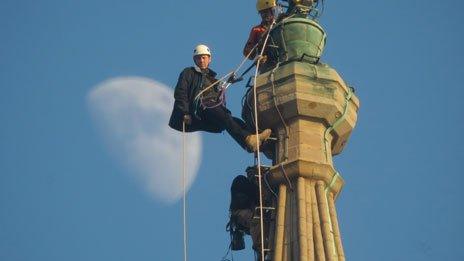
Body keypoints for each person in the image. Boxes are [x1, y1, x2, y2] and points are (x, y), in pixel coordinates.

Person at [168, 44, 271, 152]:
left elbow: (219, 93)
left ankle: (252, 142)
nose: (201, 60)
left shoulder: (213, 80)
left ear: (209, 59)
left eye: (204, 57)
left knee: (233, 121)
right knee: (226, 118)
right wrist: (184, 112)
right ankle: (249, 139)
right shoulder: (189, 72)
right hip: (201, 106)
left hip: (210, 109)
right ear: (195, 60)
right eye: (198, 58)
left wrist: (256, 63)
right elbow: (181, 92)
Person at [243, 0, 277, 72]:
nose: (264, 15)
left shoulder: (281, 23)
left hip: (282, 58)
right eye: (262, 13)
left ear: (272, 11)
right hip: (266, 64)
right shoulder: (257, 29)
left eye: (266, 12)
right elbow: (248, 52)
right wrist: (257, 56)